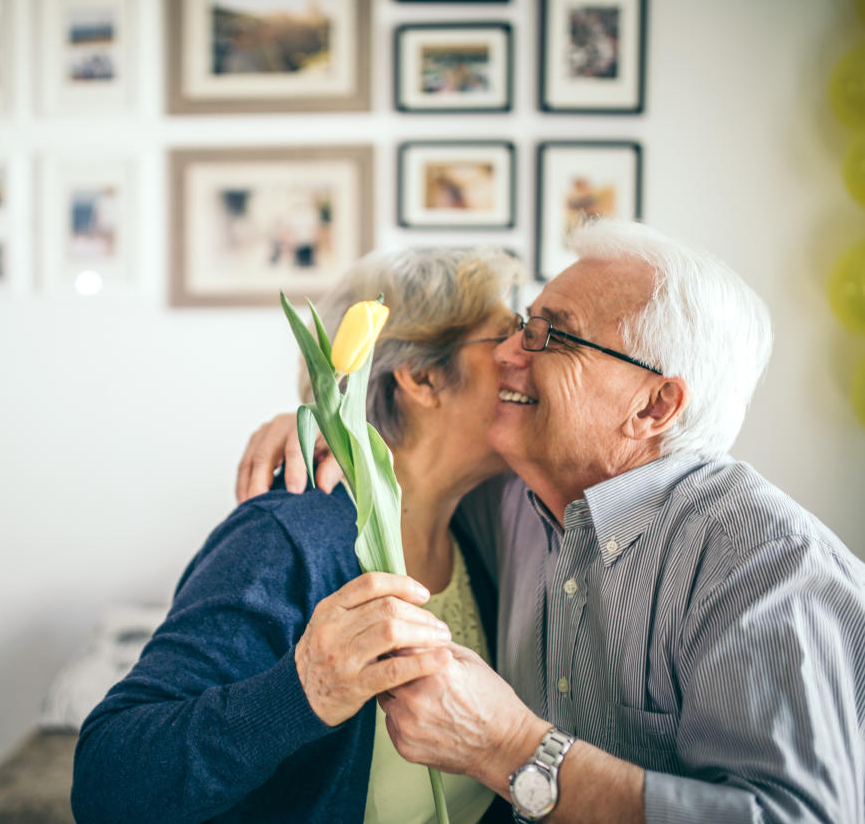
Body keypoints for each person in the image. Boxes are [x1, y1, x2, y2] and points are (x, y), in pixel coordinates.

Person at [236, 219, 865, 823]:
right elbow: (411, 458)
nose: (509, 353)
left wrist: (509, 749)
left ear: (654, 404)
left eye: (549, 334)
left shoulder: (770, 563)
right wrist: (324, 426)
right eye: (519, 326)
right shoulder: (510, 495)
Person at [72, 246, 525, 823]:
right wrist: (303, 691)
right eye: (504, 336)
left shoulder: (484, 528)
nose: (524, 357)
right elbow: (106, 782)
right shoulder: (286, 538)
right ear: (422, 376)